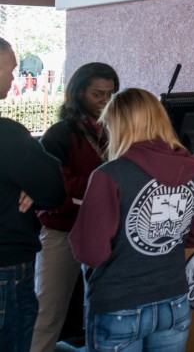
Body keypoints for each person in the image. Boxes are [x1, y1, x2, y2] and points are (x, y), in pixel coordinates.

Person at [70, 88, 194, 352]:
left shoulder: (109, 175)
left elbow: (90, 252)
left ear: (119, 125)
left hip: (120, 303)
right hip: (174, 299)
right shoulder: (193, 169)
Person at [32, 62, 119, 352]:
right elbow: (54, 185)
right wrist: (104, 186)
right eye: (97, 94)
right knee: (48, 309)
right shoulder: (60, 134)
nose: (105, 101)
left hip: (101, 230)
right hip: (62, 230)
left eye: (110, 94)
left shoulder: (115, 130)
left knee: (101, 306)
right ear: (79, 93)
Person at [0, 37, 66, 352]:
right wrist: (30, 182)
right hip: (7, 268)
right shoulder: (8, 135)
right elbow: (53, 189)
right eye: (9, 71)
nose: (13, 80)